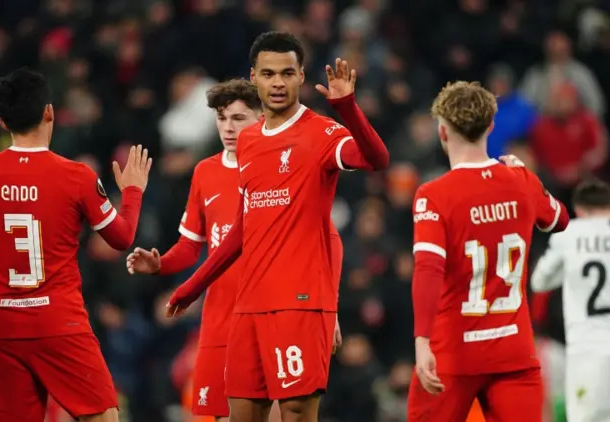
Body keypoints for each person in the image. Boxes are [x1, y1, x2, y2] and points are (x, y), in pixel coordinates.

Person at [166, 31, 388, 422]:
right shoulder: (249, 141)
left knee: (296, 413)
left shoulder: (321, 132)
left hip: (300, 302)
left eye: (287, 73)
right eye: (269, 74)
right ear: (254, 77)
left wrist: (347, 108)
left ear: (301, 76)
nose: (278, 83)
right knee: (241, 414)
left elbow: (376, 158)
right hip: (249, 305)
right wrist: (192, 287)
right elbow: (242, 229)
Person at [126, 79, 344, 421]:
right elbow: (191, 246)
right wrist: (160, 265)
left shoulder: (282, 166)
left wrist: (328, 311)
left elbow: (327, 240)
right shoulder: (205, 172)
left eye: (238, 119)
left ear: (260, 118)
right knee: (207, 414)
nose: (228, 128)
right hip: (219, 318)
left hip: (276, 312)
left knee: (279, 411)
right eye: (222, 118)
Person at [0, 67, 152, 422]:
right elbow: (122, 238)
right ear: (49, 111)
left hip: (4, 325)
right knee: (103, 417)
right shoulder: (76, 176)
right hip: (59, 323)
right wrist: (132, 191)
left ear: (3, 121)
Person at [408, 81, 570, 422]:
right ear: (491, 126)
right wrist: (526, 175)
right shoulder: (521, 180)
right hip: (514, 352)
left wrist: (422, 341)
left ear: (442, 131)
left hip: (453, 354)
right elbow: (561, 220)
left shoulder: (434, 194)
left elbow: (428, 269)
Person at [531, 178, 610, 422]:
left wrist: (569, 269)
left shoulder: (569, 236)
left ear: (577, 209)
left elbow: (539, 282)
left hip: (584, 347)